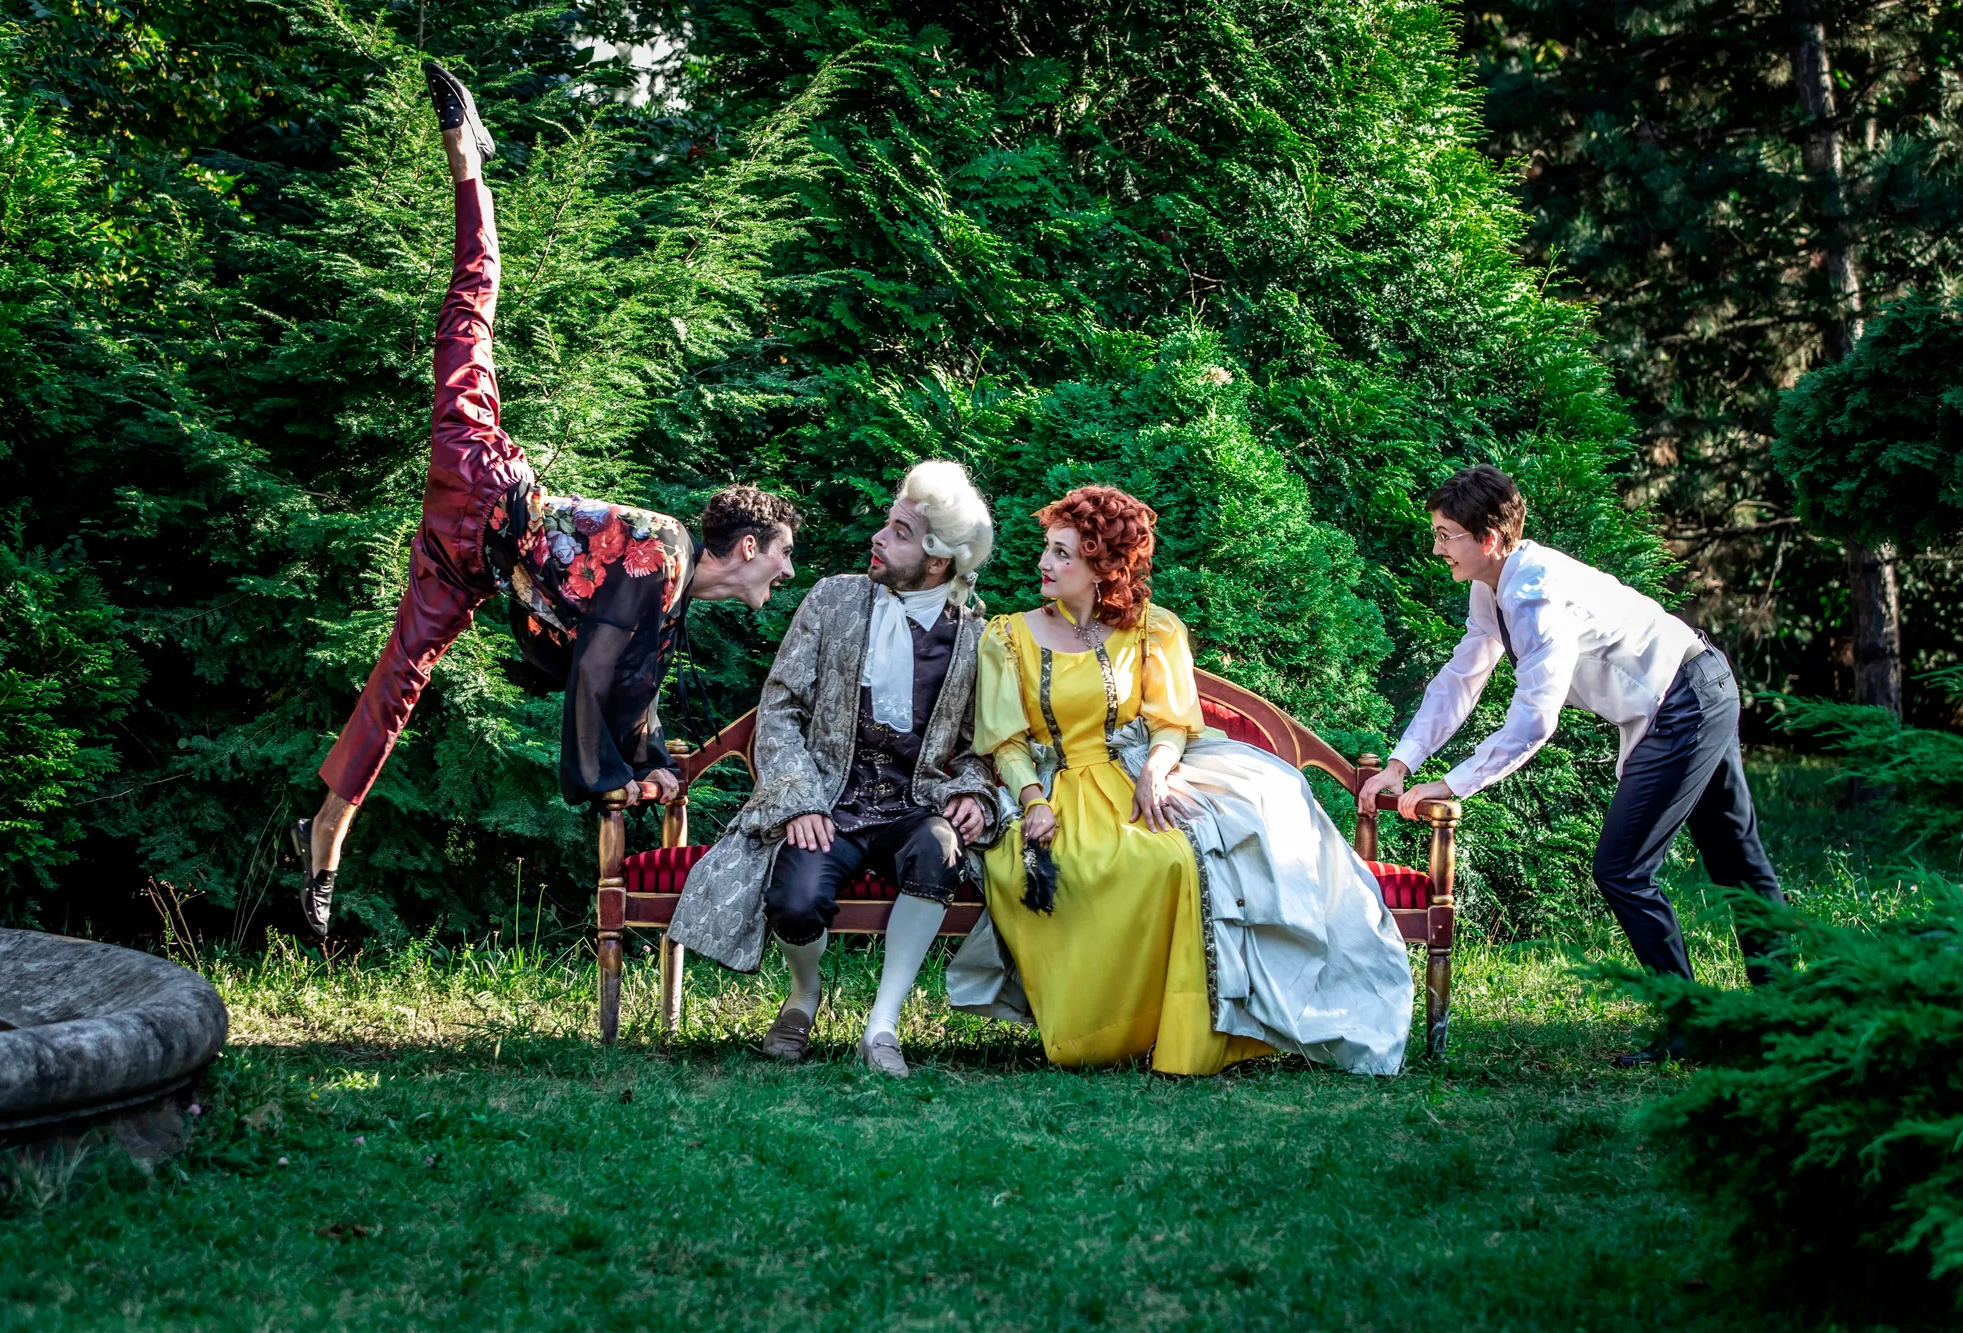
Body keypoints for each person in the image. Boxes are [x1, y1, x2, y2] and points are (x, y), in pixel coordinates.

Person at [290, 63, 797, 942]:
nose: (786, 572)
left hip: (468, 563)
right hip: (485, 479)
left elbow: (628, 684)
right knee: (471, 310)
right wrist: (606, 774)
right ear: (747, 545)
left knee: (398, 684)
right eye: (783, 554)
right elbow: (596, 669)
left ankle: (326, 829)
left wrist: (653, 763)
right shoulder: (666, 547)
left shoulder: (669, 607)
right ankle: (468, 162)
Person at [949, 486, 1414, 1076]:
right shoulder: (1008, 637)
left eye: (1064, 554)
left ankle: (1186, 1033)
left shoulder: (1153, 629)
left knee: (1180, 857)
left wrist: (1155, 771)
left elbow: (1171, 721)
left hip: (1137, 773)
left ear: (1103, 567)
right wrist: (1033, 800)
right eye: (1048, 548)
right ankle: (1094, 1033)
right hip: (1052, 783)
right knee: (1092, 865)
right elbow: (1007, 741)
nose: (1045, 563)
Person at [1357, 464, 1786, 1066]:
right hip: (1694, 688)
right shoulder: (1492, 587)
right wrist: (1401, 763)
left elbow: (1535, 719)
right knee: (1733, 859)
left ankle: (1714, 1026)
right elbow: (1462, 677)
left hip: (1687, 698)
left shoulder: (1532, 592)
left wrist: (1452, 783)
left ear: (1490, 538)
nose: (1437, 547)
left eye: (1446, 534)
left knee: (1626, 868)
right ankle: (1774, 1022)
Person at [667, 461, 1003, 1077]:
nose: (878, 536)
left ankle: (883, 1026)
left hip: (912, 807)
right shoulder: (833, 599)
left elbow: (988, 744)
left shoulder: (976, 637)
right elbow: (781, 705)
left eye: (898, 531)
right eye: (887, 523)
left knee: (939, 850)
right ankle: (804, 996)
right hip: (829, 801)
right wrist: (798, 799)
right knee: (795, 901)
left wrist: (977, 795)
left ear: (935, 560)